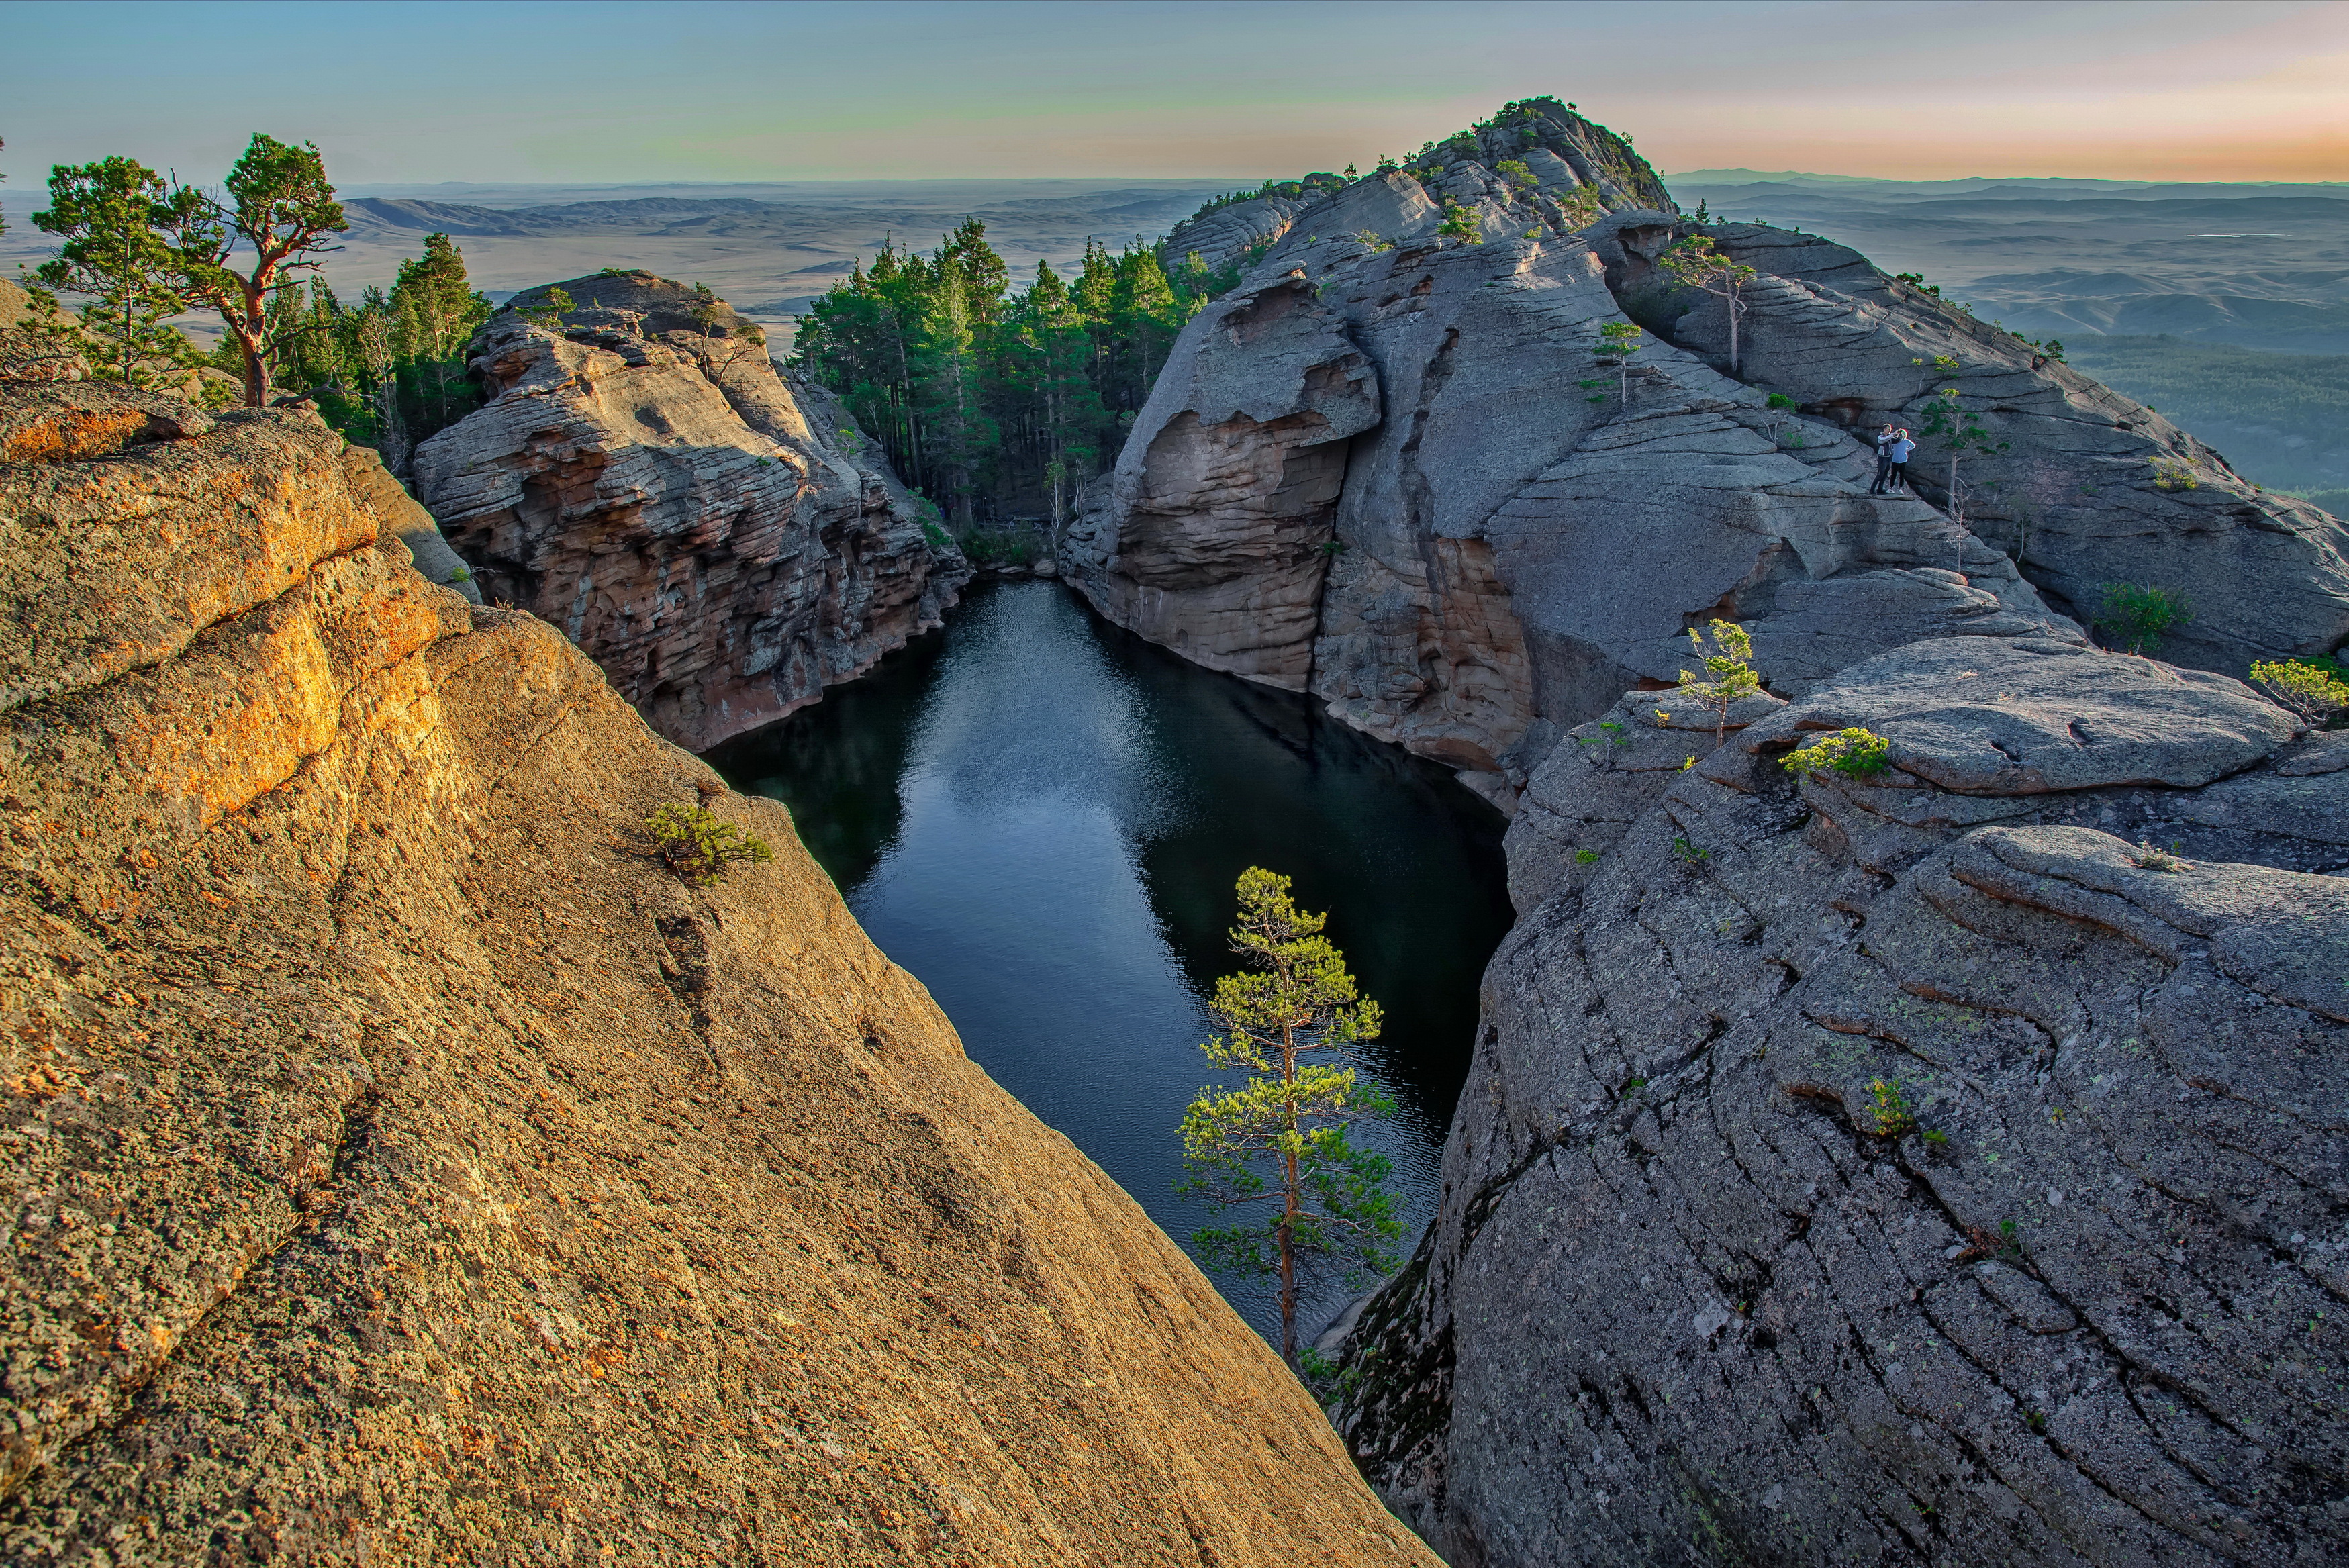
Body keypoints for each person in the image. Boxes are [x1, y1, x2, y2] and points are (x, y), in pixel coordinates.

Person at [1867, 423, 1898, 494]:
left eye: (1890, 430)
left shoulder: (1890, 437)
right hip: (1882, 459)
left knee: (1885, 475)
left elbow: (1895, 441)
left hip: (1889, 458)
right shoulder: (1881, 437)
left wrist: (1899, 436)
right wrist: (1892, 435)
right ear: (1885, 429)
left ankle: (1880, 489)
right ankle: (1872, 490)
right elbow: (1884, 440)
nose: (1890, 431)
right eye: (1888, 429)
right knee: (1880, 474)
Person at [1883, 428, 1916, 492]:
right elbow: (1890, 446)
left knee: (1902, 474)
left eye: (1902, 434)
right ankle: (1891, 488)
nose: (1900, 436)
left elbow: (1913, 446)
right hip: (1895, 459)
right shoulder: (1895, 441)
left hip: (1903, 460)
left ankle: (1900, 488)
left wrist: (1907, 450)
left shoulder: (1906, 441)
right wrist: (1892, 451)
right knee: (1894, 474)